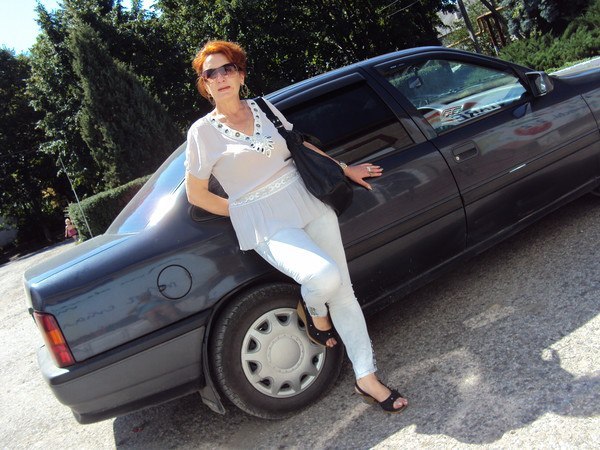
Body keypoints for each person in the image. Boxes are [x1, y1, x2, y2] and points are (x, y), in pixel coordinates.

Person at [184, 40, 408, 414]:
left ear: (240, 74)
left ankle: (366, 378)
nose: (220, 77)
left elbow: (298, 146)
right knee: (322, 276)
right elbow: (196, 194)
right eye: (211, 73)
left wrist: (344, 169)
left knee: (343, 291)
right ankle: (313, 310)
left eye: (227, 69)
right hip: (265, 220)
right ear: (204, 84)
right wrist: (241, 212)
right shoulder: (202, 133)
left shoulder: (263, 107)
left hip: (306, 198)